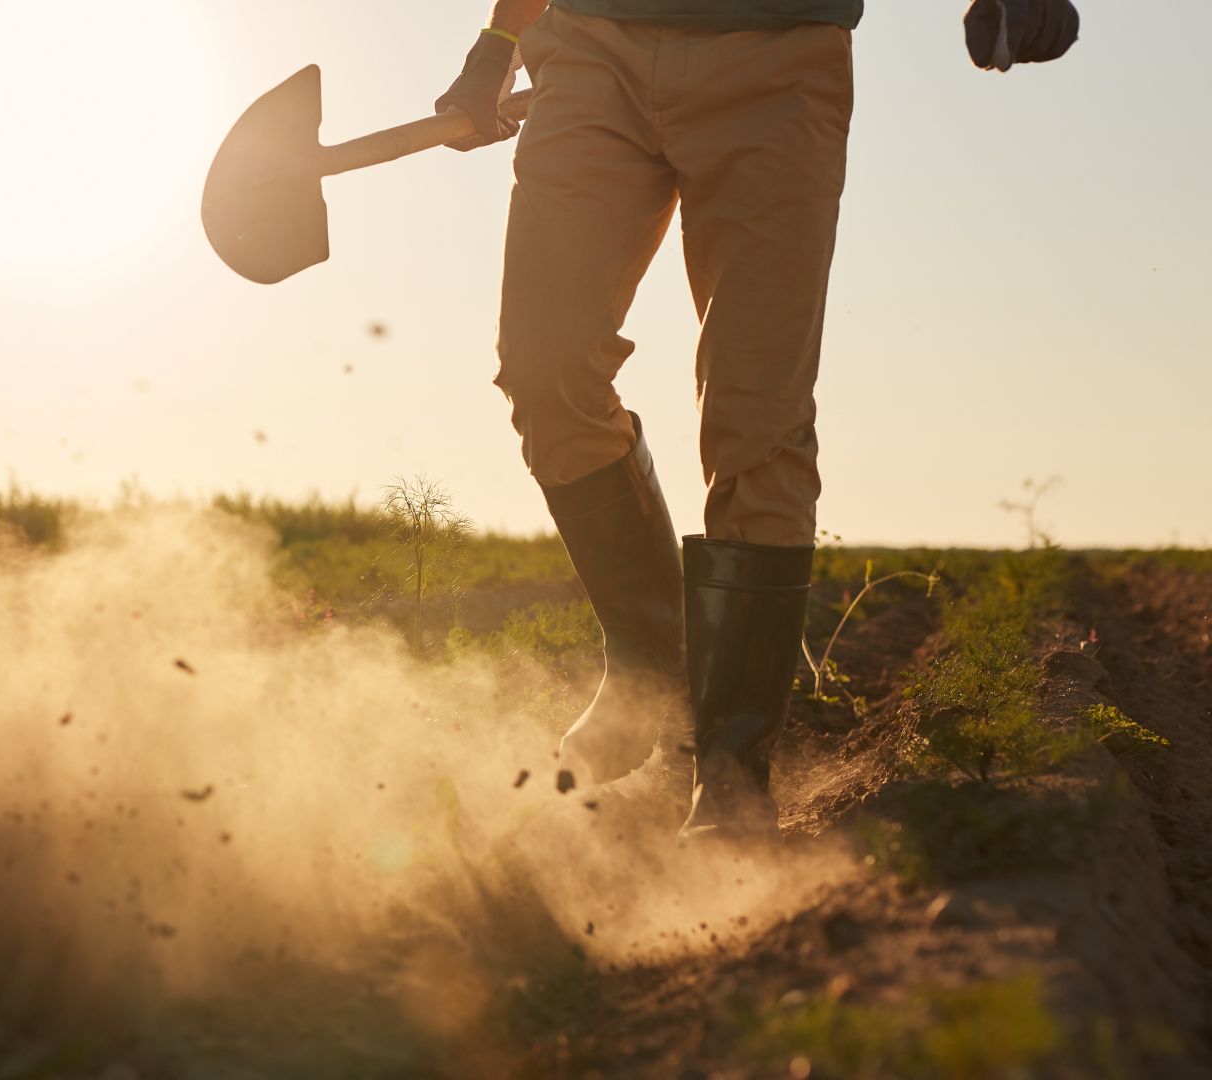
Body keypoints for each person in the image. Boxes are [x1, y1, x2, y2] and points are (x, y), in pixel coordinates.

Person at [435, 0, 1079, 839]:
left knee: (756, 417)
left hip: (778, 62)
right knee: (544, 365)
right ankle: (650, 658)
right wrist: (497, 44)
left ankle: (733, 771)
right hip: (593, 44)